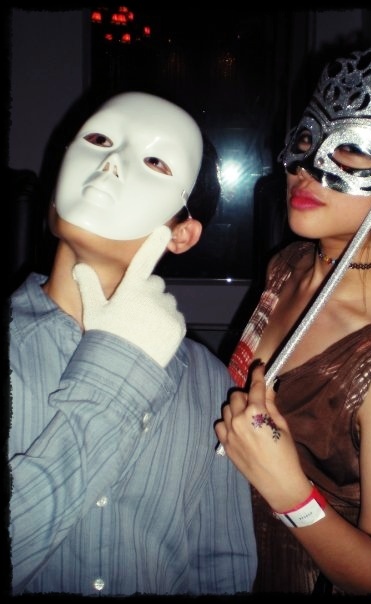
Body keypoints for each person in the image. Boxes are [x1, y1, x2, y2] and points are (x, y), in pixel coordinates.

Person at [215, 46, 371, 595]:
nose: (306, 168)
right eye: (305, 140)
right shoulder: (289, 266)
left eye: (352, 152)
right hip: (222, 553)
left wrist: (290, 493)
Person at [8, 91, 257, 596]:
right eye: (99, 139)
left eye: (155, 162)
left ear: (182, 235)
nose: (111, 163)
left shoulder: (209, 383)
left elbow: (222, 564)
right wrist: (120, 370)